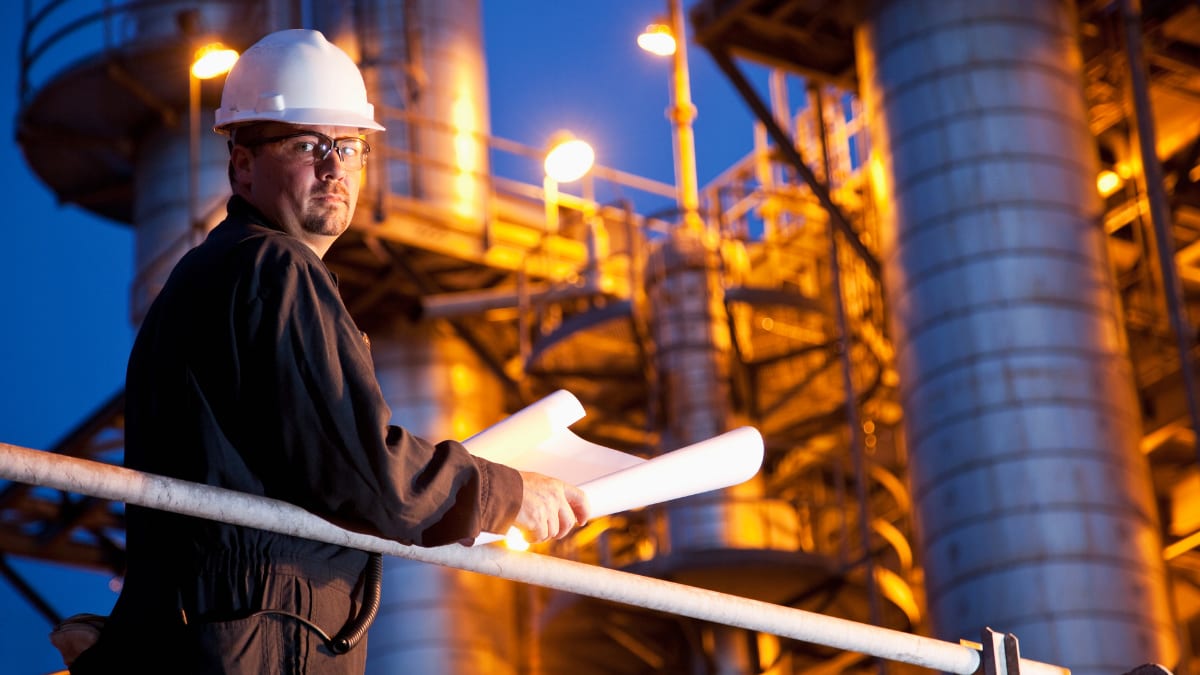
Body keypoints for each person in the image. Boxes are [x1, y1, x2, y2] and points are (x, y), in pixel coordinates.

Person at [69, 29, 589, 674]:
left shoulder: (224, 272)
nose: (334, 166)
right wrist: (504, 493)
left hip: (222, 625)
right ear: (242, 164)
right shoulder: (271, 269)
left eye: (349, 146)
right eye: (306, 145)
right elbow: (364, 473)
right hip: (256, 635)